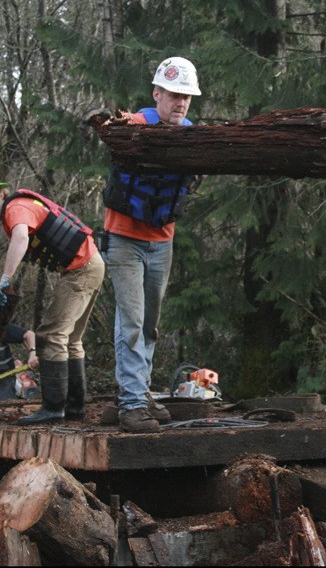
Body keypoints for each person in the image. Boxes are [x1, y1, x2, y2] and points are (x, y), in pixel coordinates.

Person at [100, 56, 203, 433]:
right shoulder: (134, 125)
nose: (181, 103)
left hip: (162, 242)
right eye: (175, 95)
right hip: (124, 239)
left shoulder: (192, 134)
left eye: (187, 97)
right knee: (131, 321)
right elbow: (107, 129)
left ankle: (139, 393)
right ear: (157, 93)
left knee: (150, 325)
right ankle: (131, 405)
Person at [0, 173, 105, 424]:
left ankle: (53, 408)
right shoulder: (20, 207)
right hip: (88, 264)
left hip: (81, 268)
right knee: (70, 339)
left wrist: (5, 278)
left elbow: (20, 237)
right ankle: (74, 409)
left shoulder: (15, 208)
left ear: (0, 193)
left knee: (50, 335)